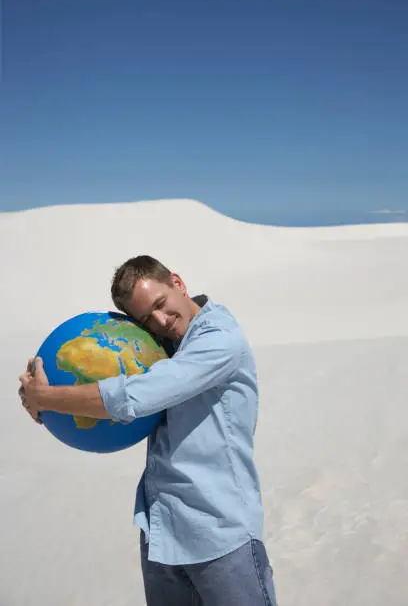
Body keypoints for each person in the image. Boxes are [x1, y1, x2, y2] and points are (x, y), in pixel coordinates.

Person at [19, 255, 278, 606]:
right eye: (146, 319)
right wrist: (45, 402)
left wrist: (49, 398)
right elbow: (107, 379)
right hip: (163, 532)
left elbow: (137, 395)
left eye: (161, 304)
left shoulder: (220, 340)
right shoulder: (166, 346)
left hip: (220, 536)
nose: (161, 321)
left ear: (177, 282)